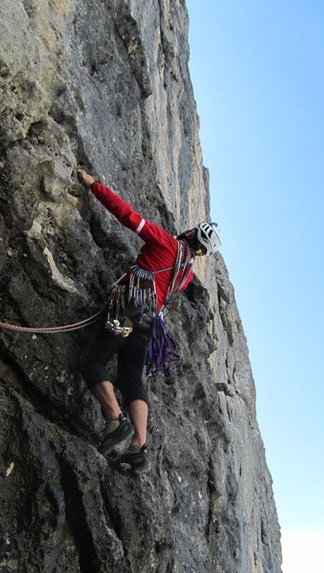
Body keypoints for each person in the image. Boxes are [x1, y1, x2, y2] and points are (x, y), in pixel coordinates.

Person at [77, 169, 221, 472]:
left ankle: (116, 421)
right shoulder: (186, 274)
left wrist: (94, 186)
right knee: (132, 380)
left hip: (126, 316)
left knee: (94, 362)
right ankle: (139, 448)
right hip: (147, 330)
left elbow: (129, 217)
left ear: (191, 234)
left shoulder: (168, 244)